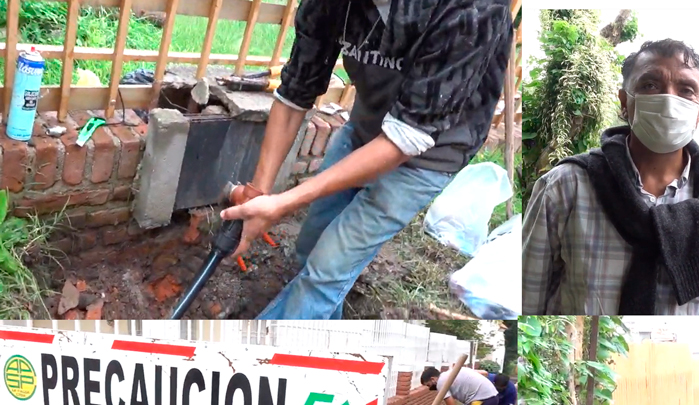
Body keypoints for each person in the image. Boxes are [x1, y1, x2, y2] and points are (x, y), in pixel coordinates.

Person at [219, 0, 513, 319]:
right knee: (310, 248)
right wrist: (259, 196)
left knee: (327, 270)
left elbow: (405, 139)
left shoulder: (473, 10)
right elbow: (294, 93)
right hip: (367, 128)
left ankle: (272, 357)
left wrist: (283, 203)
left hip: (431, 154)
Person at [522, 38, 699, 315]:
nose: (668, 99)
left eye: (686, 90)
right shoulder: (565, 186)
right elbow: (527, 302)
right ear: (624, 102)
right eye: (650, 85)